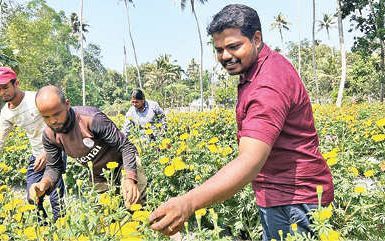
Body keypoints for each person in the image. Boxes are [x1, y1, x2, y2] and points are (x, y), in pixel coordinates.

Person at [149, 4, 334, 240]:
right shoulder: (258, 69)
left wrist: (188, 203)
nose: (225, 56)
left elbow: (250, 160)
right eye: (219, 49)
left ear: (256, 39)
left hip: (296, 201)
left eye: (234, 46)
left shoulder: (268, 84)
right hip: (279, 193)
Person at [28, 85, 147, 208]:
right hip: (99, 175)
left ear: (67, 104)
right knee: (109, 215)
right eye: (46, 117)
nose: (52, 121)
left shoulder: (92, 119)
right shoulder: (49, 136)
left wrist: (130, 178)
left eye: (56, 114)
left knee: (134, 205)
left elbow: (125, 146)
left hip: (125, 163)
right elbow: (54, 167)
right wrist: (43, 184)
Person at [0, 67, 65, 222]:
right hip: (36, 154)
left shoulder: (35, 99)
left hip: (55, 149)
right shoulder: (6, 113)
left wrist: (46, 153)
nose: (2, 93)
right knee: (32, 197)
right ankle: (43, 231)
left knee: (57, 199)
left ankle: (62, 229)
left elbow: (59, 123)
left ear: (17, 83)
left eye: (5, 87)